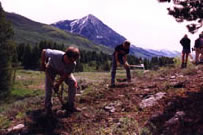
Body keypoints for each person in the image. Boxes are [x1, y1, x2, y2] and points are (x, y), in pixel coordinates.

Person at [41, 46, 80, 114]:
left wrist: (58, 84)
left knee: (73, 83)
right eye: (70, 60)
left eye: (73, 61)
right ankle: (48, 106)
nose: (71, 62)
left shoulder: (72, 64)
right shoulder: (55, 54)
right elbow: (44, 51)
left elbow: (66, 74)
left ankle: (70, 105)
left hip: (63, 71)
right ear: (66, 55)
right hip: (52, 68)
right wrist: (43, 63)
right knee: (48, 87)